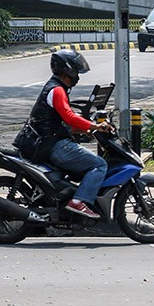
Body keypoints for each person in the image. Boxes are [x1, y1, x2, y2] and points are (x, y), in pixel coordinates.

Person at [26, 49, 112, 219]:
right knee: (99, 165)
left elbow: (57, 121)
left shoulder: (55, 88)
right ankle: (79, 201)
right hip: (54, 145)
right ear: (67, 70)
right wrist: (94, 126)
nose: (77, 77)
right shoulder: (57, 90)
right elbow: (69, 117)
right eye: (76, 72)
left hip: (48, 142)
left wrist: (85, 129)